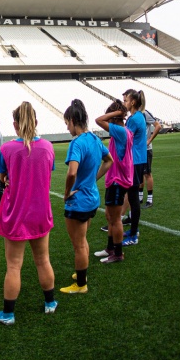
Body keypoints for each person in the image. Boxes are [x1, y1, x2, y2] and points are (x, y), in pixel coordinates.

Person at [0, 102, 58, 325]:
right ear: (36, 122)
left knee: (14, 265)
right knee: (43, 260)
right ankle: (50, 303)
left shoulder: (8, 149)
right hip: (40, 212)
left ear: (15, 125)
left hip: (15, 213)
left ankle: (8, 314)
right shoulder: (47, 147)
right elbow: (46, 172)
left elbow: (2, 180)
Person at [60, 99, 108, 294]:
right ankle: (82, 274)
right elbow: (109, 160)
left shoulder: (77, 143)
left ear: (72, 120)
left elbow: (72, 172)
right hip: (92, 199)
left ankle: (81, 285)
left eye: (67, 123)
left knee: (78, 244)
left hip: (78, 201)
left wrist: (66, 194)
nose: (67, 128)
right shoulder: (95, 139)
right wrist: (93, 180)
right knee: (83, 240)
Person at [94, 101, 130, 264]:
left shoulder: (121, 131)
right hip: (115, 179)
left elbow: (99, 120)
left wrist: (115, 114)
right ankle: (110, 248)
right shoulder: (123, 131)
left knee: (115, 219)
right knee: (110, 216)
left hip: (118, 180)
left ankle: (118, 253)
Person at [121, 89, 147, 246]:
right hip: (138, 159)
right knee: (132, 196)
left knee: (133, 197)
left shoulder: (134, 119)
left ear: (133, 102)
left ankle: (134, 234)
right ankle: (133, 230)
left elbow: (125, 138)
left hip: (135, 160)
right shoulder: (139, 117)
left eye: (126, 100)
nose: (124, 102)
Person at [142, 108, 162, 208]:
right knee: (140, 173)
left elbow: (158, 126)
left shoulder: (145, 113)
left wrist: (149, 140)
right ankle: (140, 197)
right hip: (138, 150)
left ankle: (149, 199)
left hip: (146, 149)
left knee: (147, 173)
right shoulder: (135, 115)